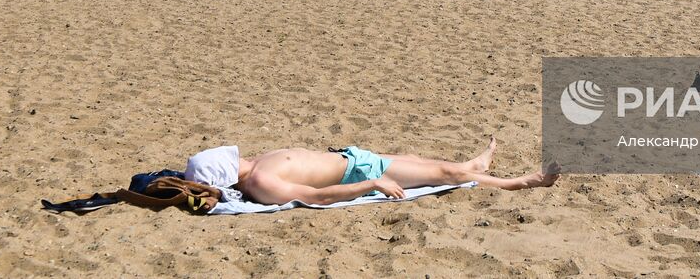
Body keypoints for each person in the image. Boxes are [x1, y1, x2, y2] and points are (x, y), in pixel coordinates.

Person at [184, 137, 557, 206]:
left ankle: (475, 165)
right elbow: (317, 196)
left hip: (352, 156)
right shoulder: (260, 181)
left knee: (427, 164)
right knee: (444, 175)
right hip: (355, 172)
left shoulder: (254, 165)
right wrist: (371, 184)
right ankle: (518, 182)